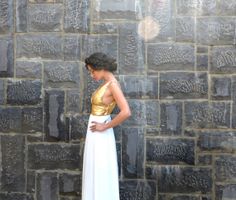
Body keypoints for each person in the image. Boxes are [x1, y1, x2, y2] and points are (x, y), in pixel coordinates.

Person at [82, 52, 131, 200]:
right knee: (94, 169)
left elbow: (126, 112)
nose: (92, 75)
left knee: (100, 169)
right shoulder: (106, 84)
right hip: (95, 134)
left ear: (101, 67)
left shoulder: (113, 85)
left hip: (101, 135)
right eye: (90, 72)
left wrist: (104, 127)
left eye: (93, 71)